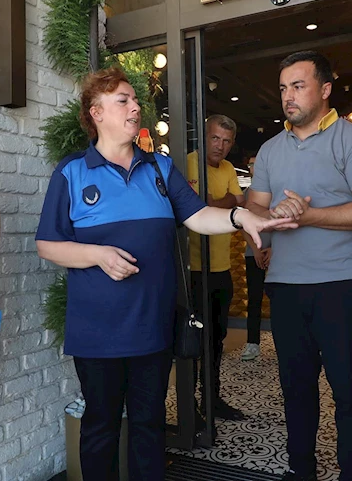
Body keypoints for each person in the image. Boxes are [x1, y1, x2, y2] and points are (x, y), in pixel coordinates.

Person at [35, 67, 294, 481]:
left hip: (152, 326)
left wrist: (241, 216)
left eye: (135, 100)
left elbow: (198, 216)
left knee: (149, 424)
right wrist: (97, 254)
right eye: (123, 100)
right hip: (97, 330)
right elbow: (48, 244)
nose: (135, 107)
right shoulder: (72, 172)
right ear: (96, 112)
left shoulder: (159, 168)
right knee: (100, 426)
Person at [245, 51, 352, 481]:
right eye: (283, 88)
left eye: (298, 86)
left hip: (340, 284)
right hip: (285, 286)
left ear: (325, 89)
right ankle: (301, 469)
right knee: (295, 387)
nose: (288, 96)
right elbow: (254, 207)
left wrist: (309, 216)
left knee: (348, 389)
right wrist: (269, 222)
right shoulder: (270, 150)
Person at [186, 115, 246, 421]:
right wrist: (227, 202)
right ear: (204, 136)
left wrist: (216, 202)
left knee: (217, 338)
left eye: (226, 141)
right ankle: (189, 407)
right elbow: (199, 207)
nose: (220, 146)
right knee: (193, 341)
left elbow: (239, 200)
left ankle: (211, 399)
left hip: (221, 269)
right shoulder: (187, 164)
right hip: (193, 270)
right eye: (215, 138)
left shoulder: (229, 169)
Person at [240, 155, 271, 362]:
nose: (254, 167)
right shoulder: (246, 194)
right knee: (254, 298)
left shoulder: (275, 190)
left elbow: (283, 222)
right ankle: (253, 344)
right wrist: (256, 250)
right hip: (254, 254)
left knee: (281, 298)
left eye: (257, 164)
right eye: (251, 164)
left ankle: (285, 341)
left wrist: (273, 249)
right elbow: (242, 226)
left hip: (277, 253)